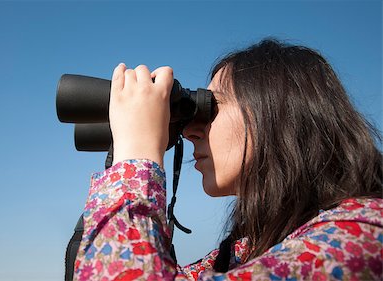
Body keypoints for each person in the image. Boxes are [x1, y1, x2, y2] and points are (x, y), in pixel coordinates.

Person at [73, 39, 382, 280]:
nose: (192, 131)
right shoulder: (249, 247)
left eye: (213, 108)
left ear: (277, 114)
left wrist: (136, 157)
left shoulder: (361, 240)